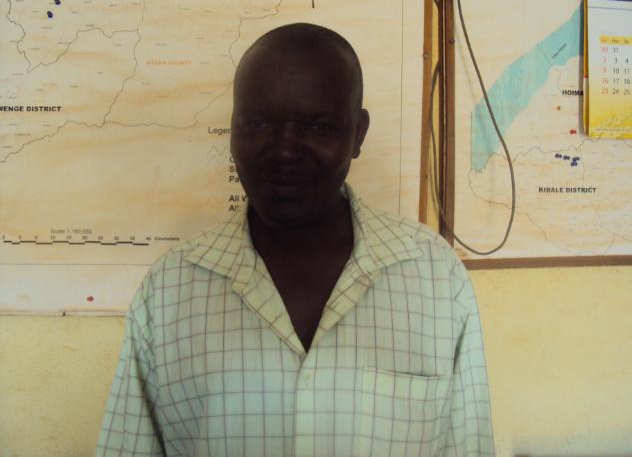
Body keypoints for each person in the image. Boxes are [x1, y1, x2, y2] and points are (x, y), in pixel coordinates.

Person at [95, 23, 494, 457]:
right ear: (232, 129)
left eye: (319, 126)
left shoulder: (434, 277)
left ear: (358, 133)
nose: (285, 150)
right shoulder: (170, 290)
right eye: (258, 123)